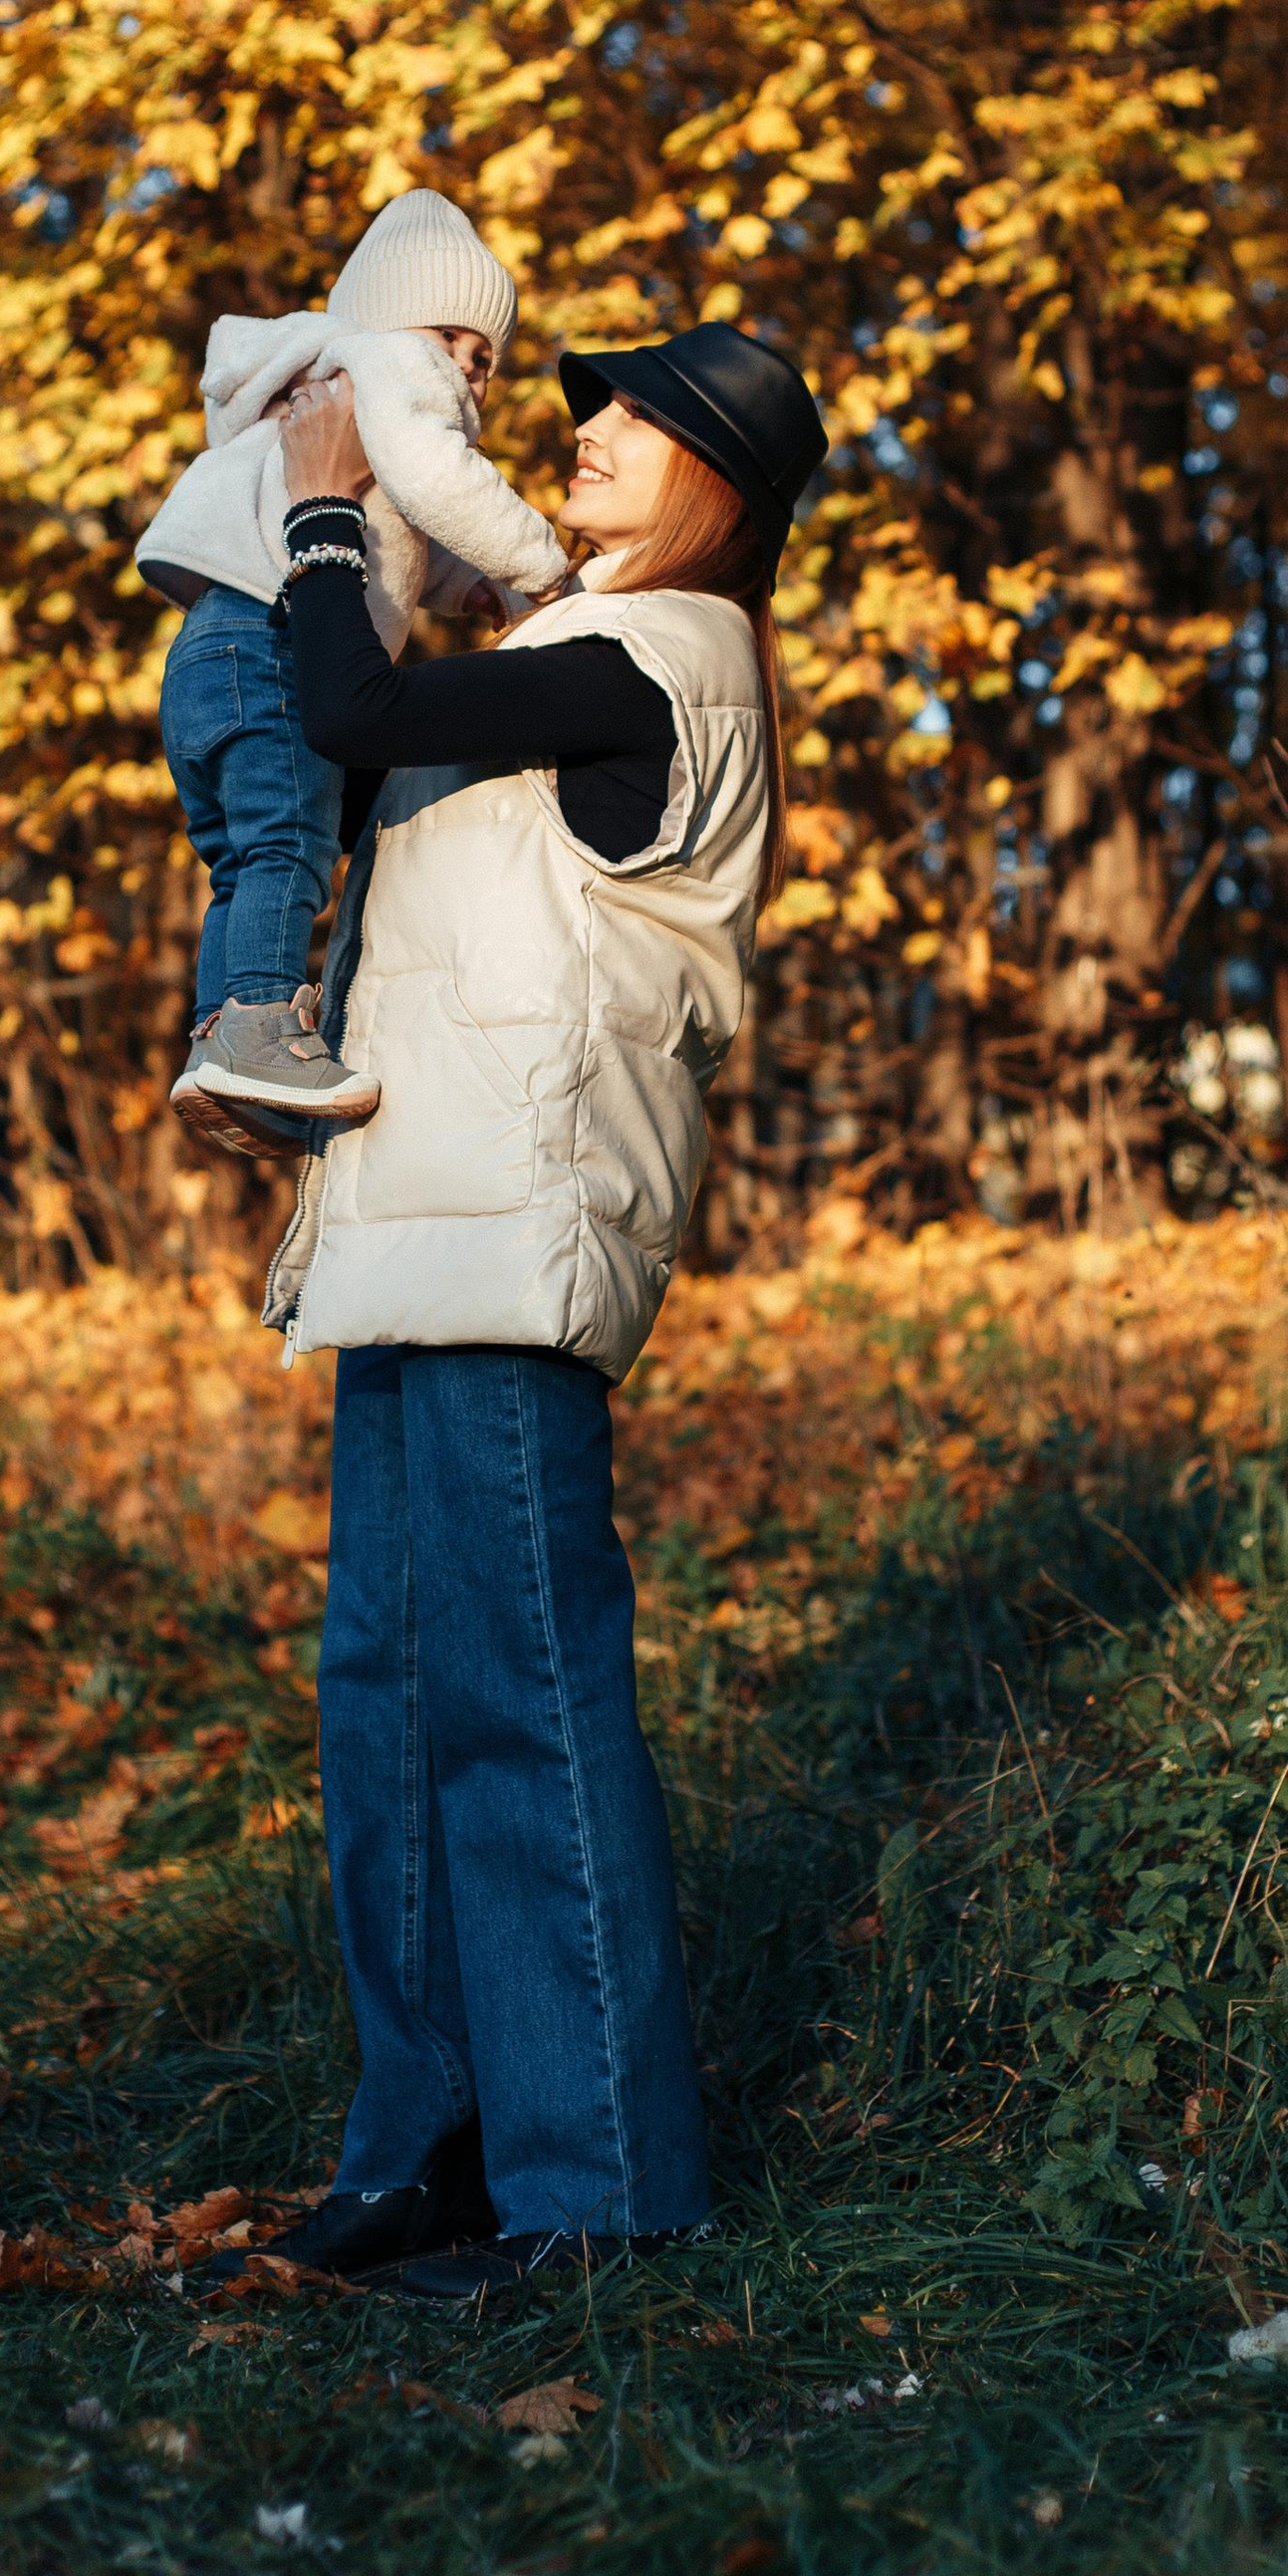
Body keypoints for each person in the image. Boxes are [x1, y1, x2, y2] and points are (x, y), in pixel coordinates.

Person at [245, 321, 828, 2301]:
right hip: (416, 1225)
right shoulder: (573, 648)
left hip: (515, 1239)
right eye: (585, 405)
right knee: (386, 1709)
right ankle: (424, 2157)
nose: (587, 430)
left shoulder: (668, 658)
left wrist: (330, 503)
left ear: (728, 489)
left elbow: (346, 709)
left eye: (640, 417)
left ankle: (594, 2191)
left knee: (517, 1700)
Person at [134, 188, 570, 1136]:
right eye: (453, 339)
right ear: (391, 319)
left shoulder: (320, 378)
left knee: (243, 860)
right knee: (292, 845)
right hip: (272, 645)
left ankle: (223, 1041)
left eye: (483, 359)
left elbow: (405, 532)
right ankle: (258, 1025)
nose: (464, 371)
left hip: (209, 653)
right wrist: (539, 566)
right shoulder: (389, 365)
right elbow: (436, 483)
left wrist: (467, 594)